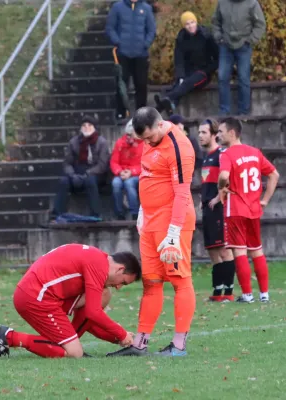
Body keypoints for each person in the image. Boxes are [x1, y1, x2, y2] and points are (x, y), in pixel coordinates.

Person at [107, 107, 196, 357]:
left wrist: (173, 234)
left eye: (149, 138)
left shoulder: (179, 146)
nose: (146, 143)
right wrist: (142, 212)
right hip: (151, 222)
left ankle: (179, 346)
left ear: (160, 125)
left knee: (180, 281)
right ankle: (140, 343)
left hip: (172, 223)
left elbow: (181, 192)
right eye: (142, 139)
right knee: (151, 283)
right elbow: (149, 177)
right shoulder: (149, 138)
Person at [0, 244, 141, 359]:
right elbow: (93, 312)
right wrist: (121, 334)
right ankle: (10, 337)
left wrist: (115, 338)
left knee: (104, 294)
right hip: (36, 298)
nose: (119, 287)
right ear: (120, 270)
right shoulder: (98, 266)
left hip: (40, 293)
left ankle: (67, 340)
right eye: (124, 282)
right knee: (74, 353)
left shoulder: (98, 258)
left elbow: (88, 318)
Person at [217, 117, 279, 303]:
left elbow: (223, 175)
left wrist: (221, 186)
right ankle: (264, 294)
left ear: (232, 133)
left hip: (236, 209)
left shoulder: (226, 154)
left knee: (239, 252)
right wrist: (265, 200)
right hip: (253, 209)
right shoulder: (255, 152)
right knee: (257, 251)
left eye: (220, 131)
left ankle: (247, 295)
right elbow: (274, 174)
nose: (218, 135)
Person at [197, 118, 235, 302]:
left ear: (213, 134)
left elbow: (228, 178)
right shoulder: (206, 157)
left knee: (224, 250)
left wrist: (219, 197)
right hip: (207, 208)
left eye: (204, 132)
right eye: (199, 132)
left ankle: (229, 291)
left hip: (218, 207)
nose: (200, 136)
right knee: (212, 250)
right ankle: (217, 291)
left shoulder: (221, 154)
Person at [154, 11, 219, 116]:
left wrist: (208, 70)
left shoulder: (206, 36)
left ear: (196, 22)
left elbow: (217, 58)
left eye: (192, 22)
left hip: (203, 72)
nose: (190, 26)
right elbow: (179, 59)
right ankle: (170, 105)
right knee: (179, 84)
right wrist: (180, 75)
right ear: (184, 26)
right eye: (187, 24)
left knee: (187, 83)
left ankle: (166, 100)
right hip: (188, 70)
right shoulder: (181, 38)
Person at [212, 0, 266, 116]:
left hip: (244, 46)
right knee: (222, 77)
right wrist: (218, 37)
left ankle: (244, 112)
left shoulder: (252, 3)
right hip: (225, 45)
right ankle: (224, 110)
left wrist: (250, 40)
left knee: (243, 78)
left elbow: (260, 24)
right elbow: (216, 21)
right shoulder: (222, 2)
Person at [50, 116, 110, 220]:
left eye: (89, 125)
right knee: (63, 181)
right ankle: (57, 214)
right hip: (77, 172)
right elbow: (67, 163)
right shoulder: (74, 142)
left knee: (90, 181)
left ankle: (95, 214)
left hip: (95, 173)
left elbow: (102, 165)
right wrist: (72, 175)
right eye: (84, 125)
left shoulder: (102, 142)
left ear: (94, 127)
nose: (86, 128)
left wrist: (87, 173)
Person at [106, 0, 157, 120]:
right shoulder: (117, 7)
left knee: (141, 84)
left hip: (141, 54)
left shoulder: (146, 8)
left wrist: (145, 44)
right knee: (121, 84)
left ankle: (142, 115)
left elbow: (151, 30)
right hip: (123, 54)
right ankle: (121, 112)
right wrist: (118, 42)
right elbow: (110, 28)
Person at [110, 119, 144, 220]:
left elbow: (145, 164)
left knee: (129, 184)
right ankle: (119, 212)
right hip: (122, 172)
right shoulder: (120, 143)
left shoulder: (144, 144)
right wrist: (119, 171)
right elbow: (114, 162)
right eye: (128, 134)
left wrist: (132, 172)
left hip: (137, 173)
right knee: (116, 183)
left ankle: (134, 212)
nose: (130, 137)